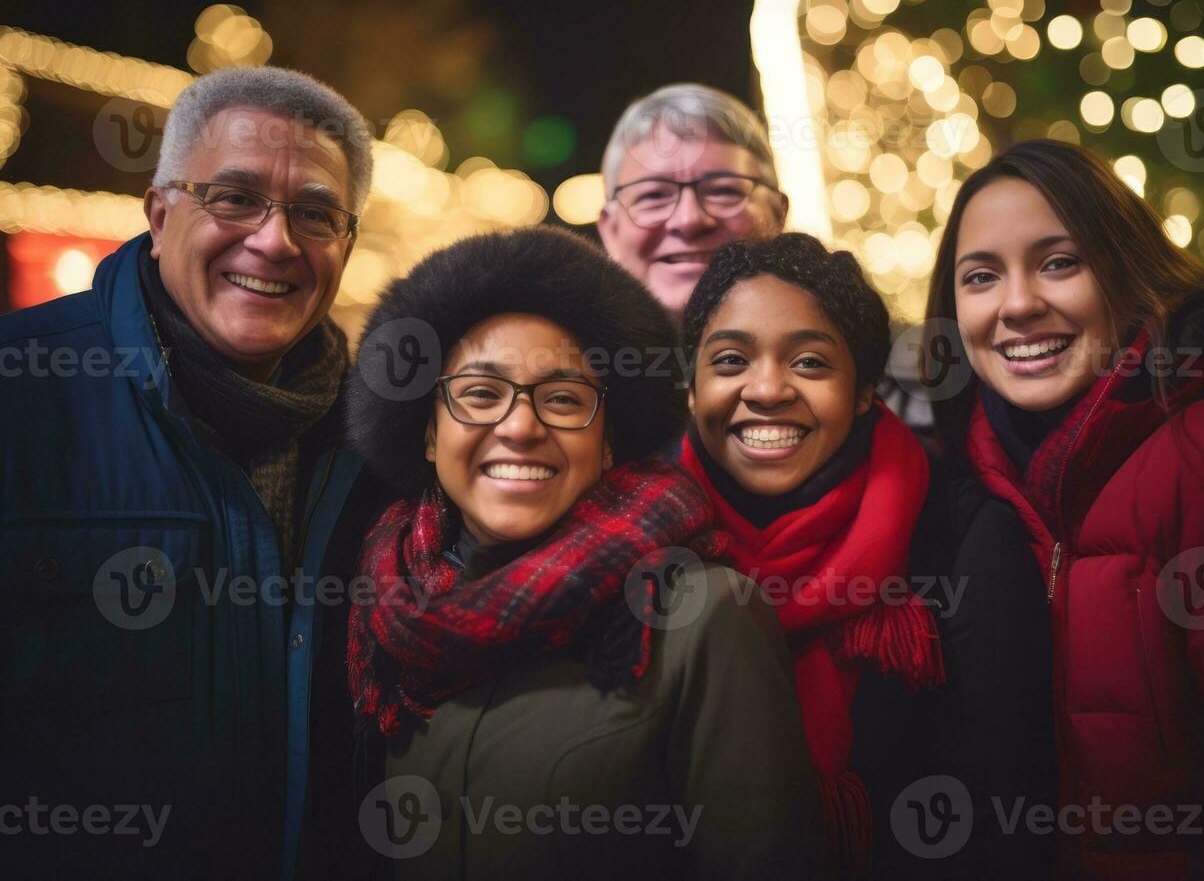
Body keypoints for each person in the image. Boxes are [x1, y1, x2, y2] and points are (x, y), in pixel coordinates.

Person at [344, 226, 829, 880]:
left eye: (563, 399)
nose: (519, 427)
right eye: (481, 395)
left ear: (607, 441)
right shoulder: (384, 617)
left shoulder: (702, 616)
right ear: (429, 432)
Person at [0, 66, 387, 878]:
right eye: (234, 198)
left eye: (315, 213)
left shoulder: (381, 447)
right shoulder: (22, 394)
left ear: (347, 244)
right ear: (160, 211)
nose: (275, 241)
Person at [924, 138, 1204, 878]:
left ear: (1125, 270)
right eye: (980, 277)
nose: (1019, 304)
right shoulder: (974, 491)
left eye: (1059, 262)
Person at [673, 233, 1056, 877]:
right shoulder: (646, 544)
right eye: (731, 361)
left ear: (863, 393)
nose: (766, 389)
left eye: (811, 364)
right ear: (691, 389)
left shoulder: (961, 538)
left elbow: (1007, 816)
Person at [596, 83, 789, 319]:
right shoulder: (566, 353)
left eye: (723, 191)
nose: (688, 220)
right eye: (653, 196)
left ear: (778, 214)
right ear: (610, 230)